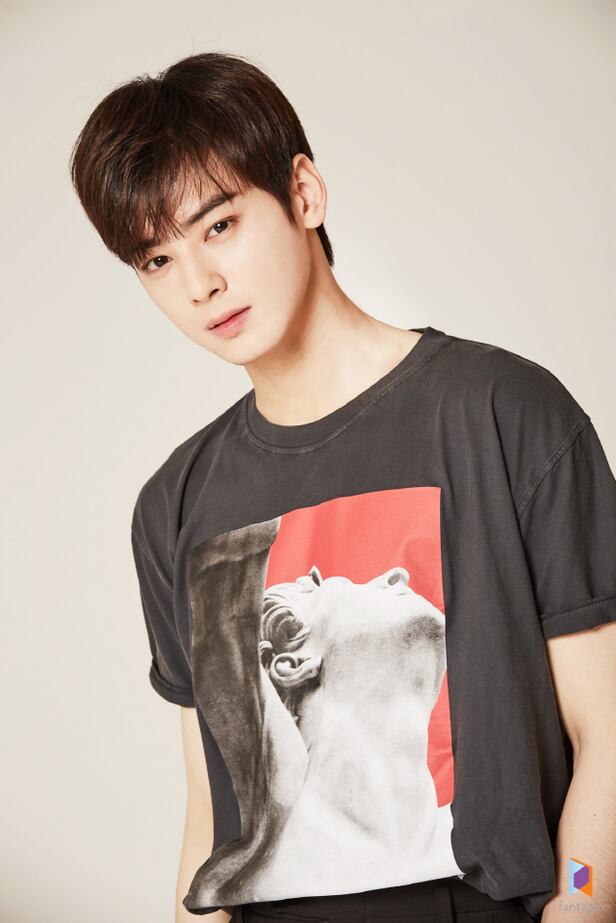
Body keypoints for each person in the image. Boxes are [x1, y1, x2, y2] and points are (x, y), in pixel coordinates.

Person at [69, 51, 616, 923]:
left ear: (304, 194)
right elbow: (213, 816)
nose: (200, 285)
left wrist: (581, 906)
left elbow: (608, 736)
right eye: (158, 259)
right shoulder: (174, 502)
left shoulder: (503, 412)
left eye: (220, 225)